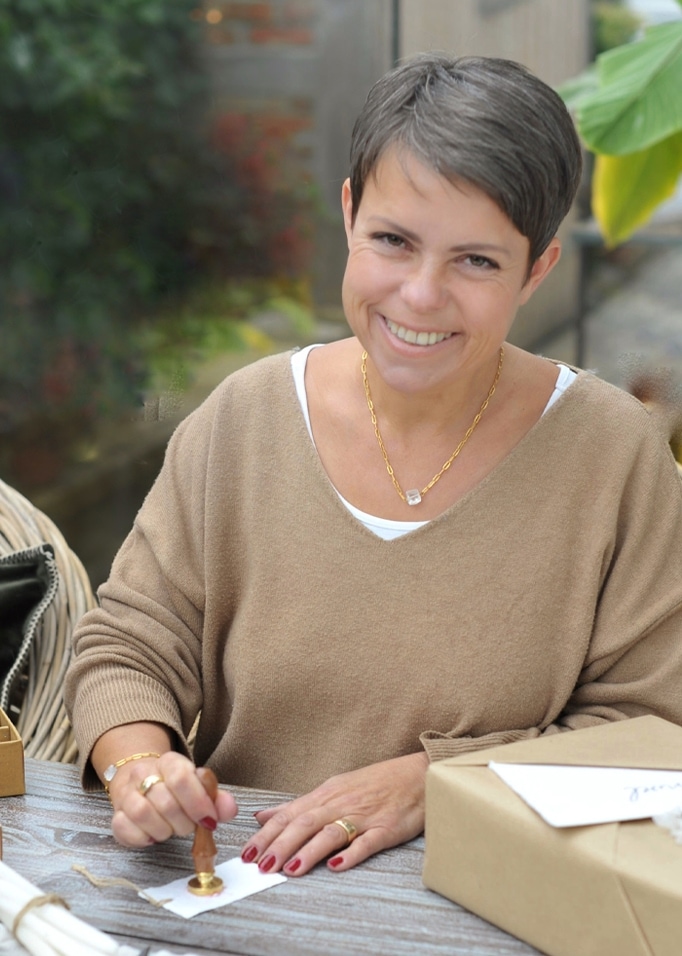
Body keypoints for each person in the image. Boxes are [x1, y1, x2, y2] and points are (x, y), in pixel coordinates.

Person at [64, 53, 682, 879]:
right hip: (231, 886)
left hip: (491, 899)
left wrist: (436, 783)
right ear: (349, 212)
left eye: (477, 261)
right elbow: (129, 646)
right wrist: (142, 770)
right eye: (393, 241)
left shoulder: (614, 454)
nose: (420, 296)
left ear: (537, 269)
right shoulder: (243, 420)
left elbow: (652, 729)